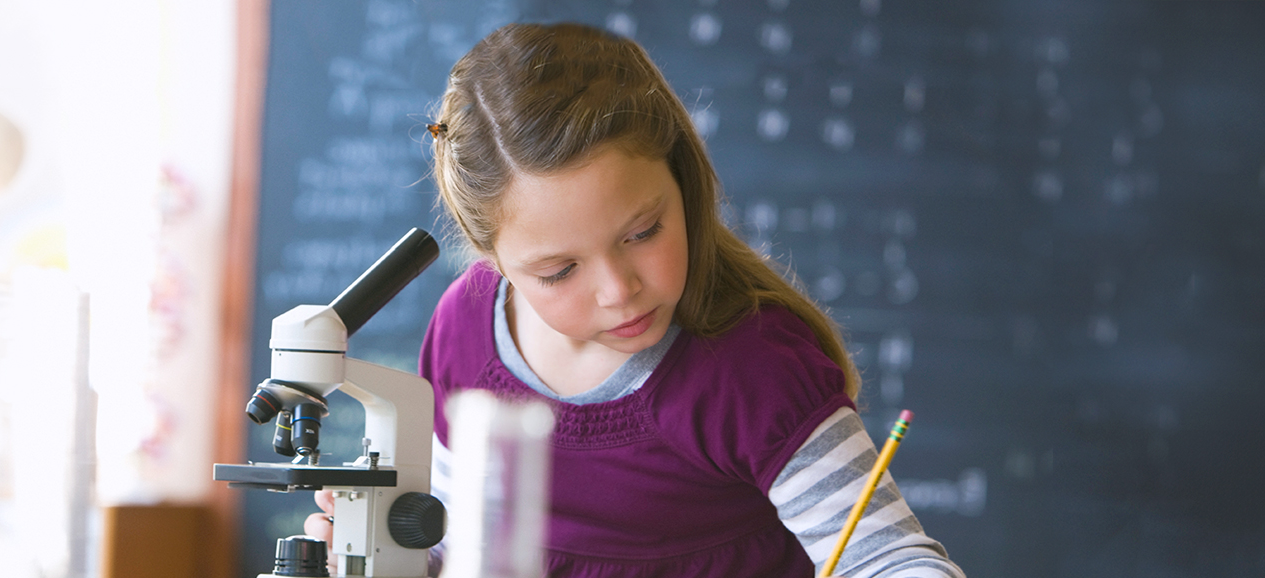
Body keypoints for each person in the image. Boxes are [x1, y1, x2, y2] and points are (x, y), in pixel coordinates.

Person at [310, 22, 965, 577]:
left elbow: (894, 560)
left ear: (684, 183)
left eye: (643, 232)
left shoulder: (752, 366)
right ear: (493, 263)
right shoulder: (463, 330)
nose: (619, 290)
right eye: (560, 270)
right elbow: (453, 545)